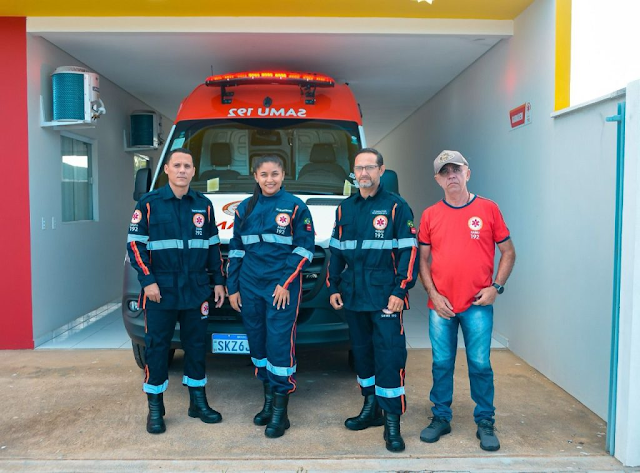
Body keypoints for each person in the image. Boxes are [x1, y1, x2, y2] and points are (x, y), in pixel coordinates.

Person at [418, 150, 516, 451]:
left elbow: (508, 252)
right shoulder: (430, 215)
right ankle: (441, 417)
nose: (451, 176)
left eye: (456, 170)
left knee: (480, 364)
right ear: (437, 179)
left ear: (467, 173)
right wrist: (434, 294)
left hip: (477, 305)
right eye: (444, 172)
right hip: (442, 307)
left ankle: (485, 421)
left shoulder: (488, 209)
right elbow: (422, 260)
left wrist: (496, 287)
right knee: (441, 363)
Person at [127, 148, 226, 434]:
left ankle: (198, 402)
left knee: (196, 346)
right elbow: (135, 245)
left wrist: (219, 281)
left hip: (196, 289)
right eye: (177, 165)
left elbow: (213, 247)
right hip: (161, 290)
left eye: (187, 166)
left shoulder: (203, 205)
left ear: (194, 171)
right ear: (167, 170)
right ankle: (155, 409)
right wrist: (148, 281)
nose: (182, 170)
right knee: (157, 348)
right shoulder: (149, 204)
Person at [327, 148, 419, 452]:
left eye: (369, 167)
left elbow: (409, 251)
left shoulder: (396, 206)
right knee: (363, 356)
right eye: (359, 168)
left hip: (385, 298)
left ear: (381, 170)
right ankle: (371, 407)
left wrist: (400, 290)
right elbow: (336, 252)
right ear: (353, 173)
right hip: (353, 297)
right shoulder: (345, 208)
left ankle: (392, 423)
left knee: (390, 358)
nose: (363, 173)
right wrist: (333, 287)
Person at [226, 155, 315, 438]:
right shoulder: (244, 208)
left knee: (278, 343)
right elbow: (236, 249)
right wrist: (232, 287)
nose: (269, 179)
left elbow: (304, 249)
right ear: (255, 176)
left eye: (275, 174)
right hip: (250, 285)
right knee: (257, 342)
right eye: (264, 174)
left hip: (280, 287)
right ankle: (268, 401)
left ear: (283, 175)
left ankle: (280, 411)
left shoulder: (296, 207)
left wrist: (285, 282)